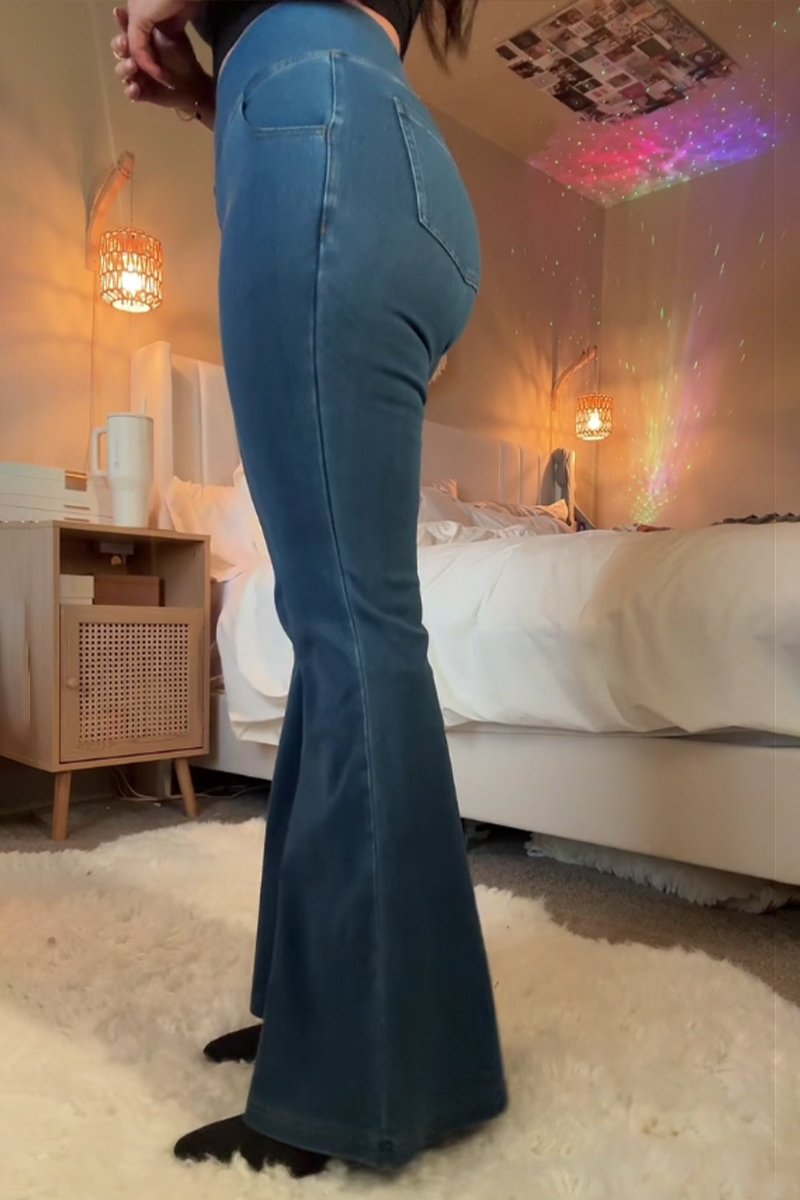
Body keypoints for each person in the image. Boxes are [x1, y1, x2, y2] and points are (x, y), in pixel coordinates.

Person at [113, 0, 506, 1177]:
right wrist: (210, 90)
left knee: (347, 625)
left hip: (319, 137)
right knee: (340, 620)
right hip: (381, 151)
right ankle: (333, 1016)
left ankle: (358, 1080)